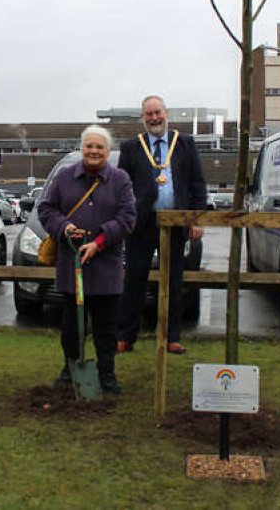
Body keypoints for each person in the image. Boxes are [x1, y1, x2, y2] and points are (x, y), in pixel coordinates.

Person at [38, 126, 136, 393]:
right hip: (72, 265)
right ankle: (70, 369)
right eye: (89, 146)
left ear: (107, 150)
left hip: (106, 266)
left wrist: (99, 242)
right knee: (70, 325)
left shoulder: (120, 179)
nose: (94, 151)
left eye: (99, 147)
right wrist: (64, 228)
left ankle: (106, 374)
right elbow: (46, 209)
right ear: (82, 149)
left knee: (106, 327)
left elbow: (127, 218)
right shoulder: (63, 177)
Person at [117, 95, 207, 355]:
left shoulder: (185, 143)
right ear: (142, 118)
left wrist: (196, 219)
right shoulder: (131, 147)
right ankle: (126, 336)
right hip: (141, 225)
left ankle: (171, 337)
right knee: (133, 281)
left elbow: (197, 184)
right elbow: (124, 188)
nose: (154, 118)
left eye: (158, 112)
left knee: (174, 282)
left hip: (176, 224)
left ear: (167, 113)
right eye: (149, 114)